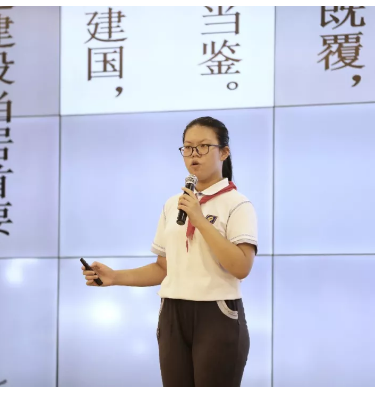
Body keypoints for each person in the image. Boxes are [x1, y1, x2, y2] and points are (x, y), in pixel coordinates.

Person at [81, 116, 258, 387]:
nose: (194, 154)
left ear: (224, 152)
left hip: (217, 312)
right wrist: (114, 277)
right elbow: (163, 268)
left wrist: (199, 220)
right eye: (187, 147)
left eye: (203, 147)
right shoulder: (173, 204)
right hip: (172, 313)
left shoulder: (238, 204)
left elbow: (241, 267)